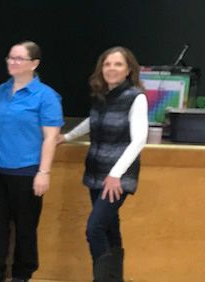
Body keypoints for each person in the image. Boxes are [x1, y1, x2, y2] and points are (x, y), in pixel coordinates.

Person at [61, 46, 147, 282]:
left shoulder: (136, 97)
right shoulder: (102, 96)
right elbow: (93, 121)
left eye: (118, 64)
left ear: (129, 69)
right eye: (107, 64)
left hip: (117, 177)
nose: (111, 69)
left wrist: (116, 174)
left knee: (94, 229)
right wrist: (66, 137)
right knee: (109, 229)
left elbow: (139, 140)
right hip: (96, 171)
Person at [0, 41, 63, 282]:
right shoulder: (1, 90)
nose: (12, 62)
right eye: (10, 57)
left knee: (25, 230)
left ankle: (21, 276)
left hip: (25, 173)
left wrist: (43, 172)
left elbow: (51, 137)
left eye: (19, 58)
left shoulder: (46, 96)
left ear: (34, 64)